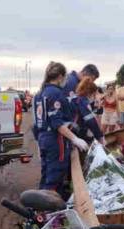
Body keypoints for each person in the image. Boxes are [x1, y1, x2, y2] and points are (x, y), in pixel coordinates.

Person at [32, 62, 89, 199]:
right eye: (64, 77)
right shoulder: (55, 93)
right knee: (55, 174)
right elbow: (57, 123)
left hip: (43, 137)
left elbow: (37, 122)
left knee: (46, 174)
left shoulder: (40, 93)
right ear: (60, 77)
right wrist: (74, 138)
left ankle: (38, 207)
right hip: (55, 139)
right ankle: (49, 212)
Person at [71, 78, 105, 145]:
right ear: (89, 92)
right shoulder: (83, 101)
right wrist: (100, 137)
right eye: (94, 94)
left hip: (73, 129)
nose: (94, 96)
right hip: (78, 132)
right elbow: (91, 121)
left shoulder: (75, 98)